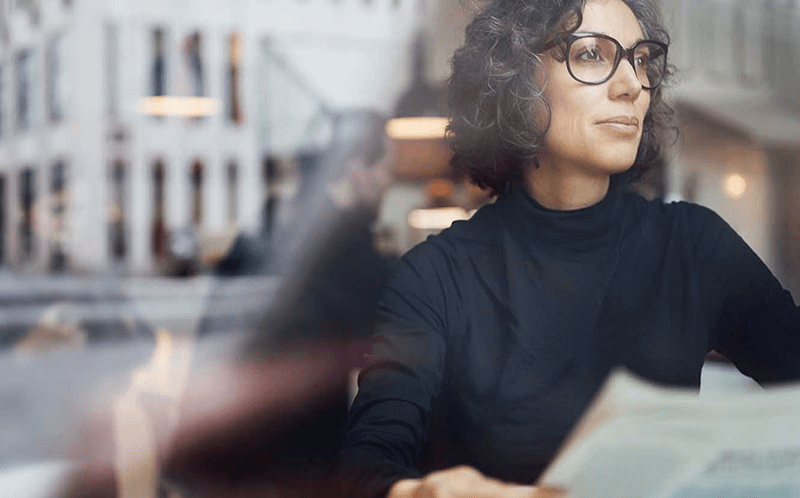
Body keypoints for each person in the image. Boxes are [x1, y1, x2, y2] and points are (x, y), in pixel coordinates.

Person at [335, 0, 800, 496]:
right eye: (594, 54)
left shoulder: (694, 245)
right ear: (512, 80)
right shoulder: (433, 277)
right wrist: (418, 492)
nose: (631, 86)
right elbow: (365, 468)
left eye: (641, 60)